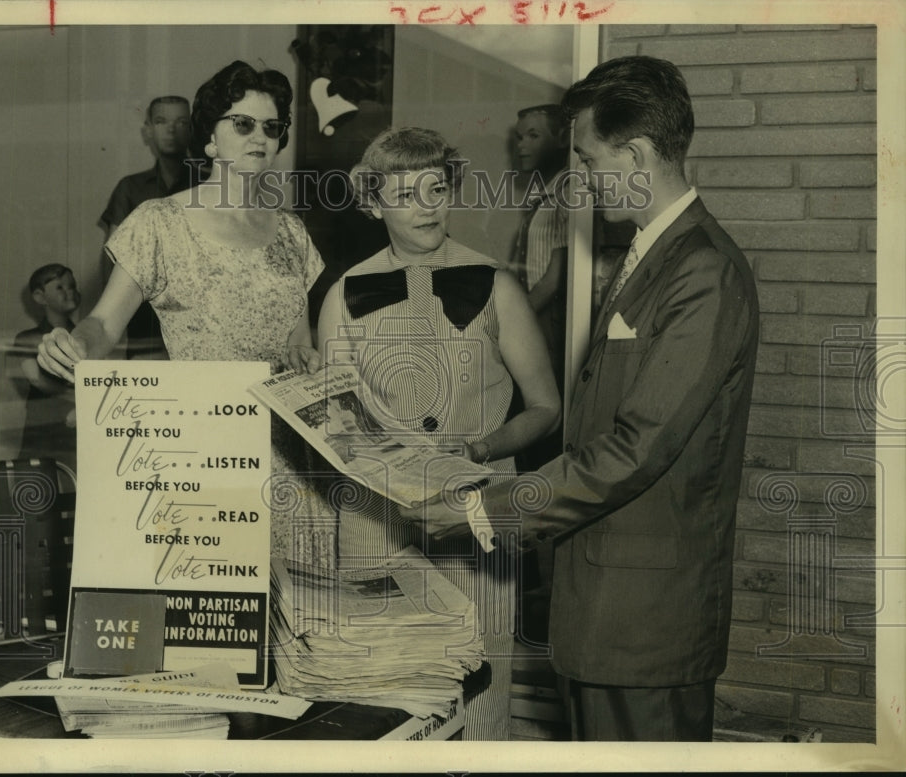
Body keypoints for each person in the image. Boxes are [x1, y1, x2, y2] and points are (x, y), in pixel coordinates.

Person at [406, 56, 760, 742]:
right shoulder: (652, 255)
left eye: (592, 163)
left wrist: (482, 507)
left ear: (636, 154)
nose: (585, 182)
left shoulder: (702, 273)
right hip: (605, 613)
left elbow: (633, 449)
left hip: (644, 628)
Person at [317, 127, 561, 740]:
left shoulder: (495, 284)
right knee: (386, 700)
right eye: (405, 194)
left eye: (437, 188)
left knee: (480, 697)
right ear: (373, 205)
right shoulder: (344, 295)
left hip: (475, 516)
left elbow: (546, 408)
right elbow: (333, 422)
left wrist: (479, 448)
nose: (426, 205)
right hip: (377, 523)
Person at [38, 60, 329, 564]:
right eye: (242, 123)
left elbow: (299, 342)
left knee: (297, 628)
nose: (258, 136)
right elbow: (105, 323)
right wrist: (75, 345)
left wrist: (310, 360)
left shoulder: (291, 231)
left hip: (295, 465)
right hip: (205, 453)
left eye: (271, 126)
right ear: (210, 140)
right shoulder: (160, 221)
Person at [99, 95, 193, 360]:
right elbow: (112, 257)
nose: (172, 130)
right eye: (162, 121)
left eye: (182, 122)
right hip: (144, 322)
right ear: (148, 130)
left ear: (193, 128)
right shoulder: (130, 188)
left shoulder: (209, 186)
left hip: (198, 320)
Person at [510, 104, 571, 470]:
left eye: (534, 135)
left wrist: (512, 318)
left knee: (543, 409)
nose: (521, 145)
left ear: (563, 138)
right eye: (519, 136)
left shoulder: (568, 190)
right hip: (535, 315)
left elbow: (556, 278)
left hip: (549, 319)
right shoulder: (547, 190)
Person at [11, 263, 81, 469]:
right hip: (44, 428)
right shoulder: (28, 338)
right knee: (39, 483)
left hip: (78, 427)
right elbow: (36, 378)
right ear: (40, 297)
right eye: (60, 287)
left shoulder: (84, 338)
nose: (70, 292)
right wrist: (78, 400)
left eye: (72, 285)